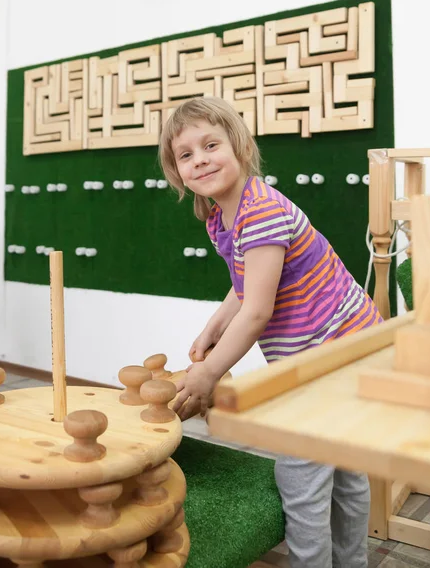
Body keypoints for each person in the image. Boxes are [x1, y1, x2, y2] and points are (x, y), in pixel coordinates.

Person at [158, 96, 382, 568]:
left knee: (301, 476)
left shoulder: (260, 211)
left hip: (336, 354)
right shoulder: (221, 216)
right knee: (344, 468)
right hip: (339, 352)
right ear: (177, 172)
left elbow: (258, 312)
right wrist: (214, 327)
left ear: (239, 147)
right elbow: (247, 285)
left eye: (211, 145)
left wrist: (210, 373)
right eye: (186, 154)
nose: (200, 159)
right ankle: (351, 562)